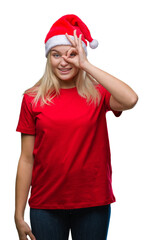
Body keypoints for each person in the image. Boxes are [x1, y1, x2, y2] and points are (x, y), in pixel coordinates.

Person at [14, 14, 138, 240]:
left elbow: (130, 99)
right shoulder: (32, 99)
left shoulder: (98, 93)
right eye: (56, 54)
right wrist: (18, 215)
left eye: (72, 54)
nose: (64, 61)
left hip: (92, 202)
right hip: (46, 204)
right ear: (48, 57)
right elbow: (26, 159)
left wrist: (86, 65)